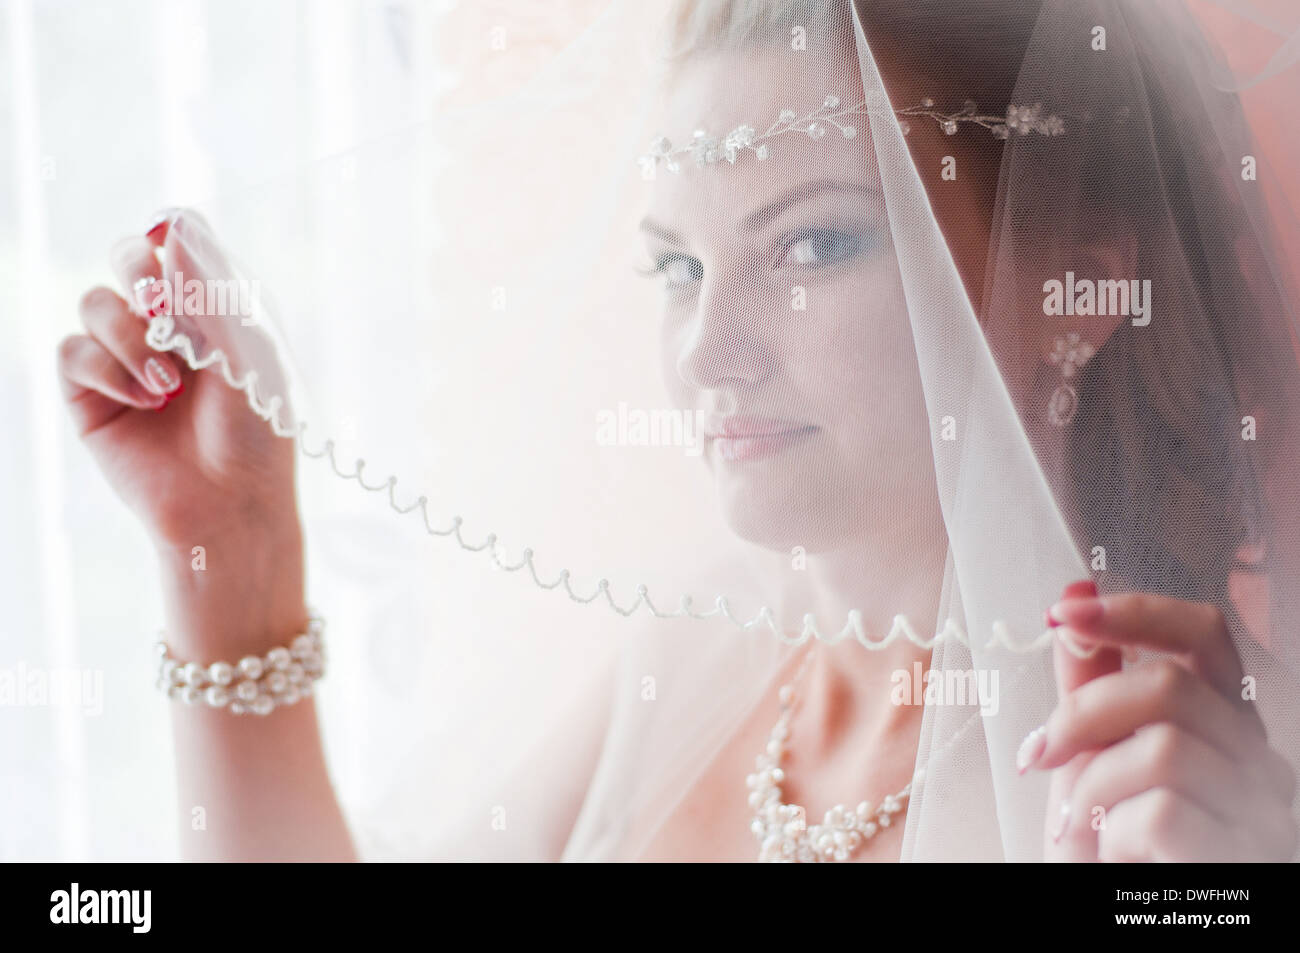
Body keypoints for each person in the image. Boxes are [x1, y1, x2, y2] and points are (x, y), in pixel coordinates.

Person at [56, 0, 1298, 861]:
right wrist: (231, 546)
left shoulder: (1188, 781)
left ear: (1070, 281)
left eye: (815, 244)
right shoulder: (696, 654)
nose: (707, 350)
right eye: (677, 267)